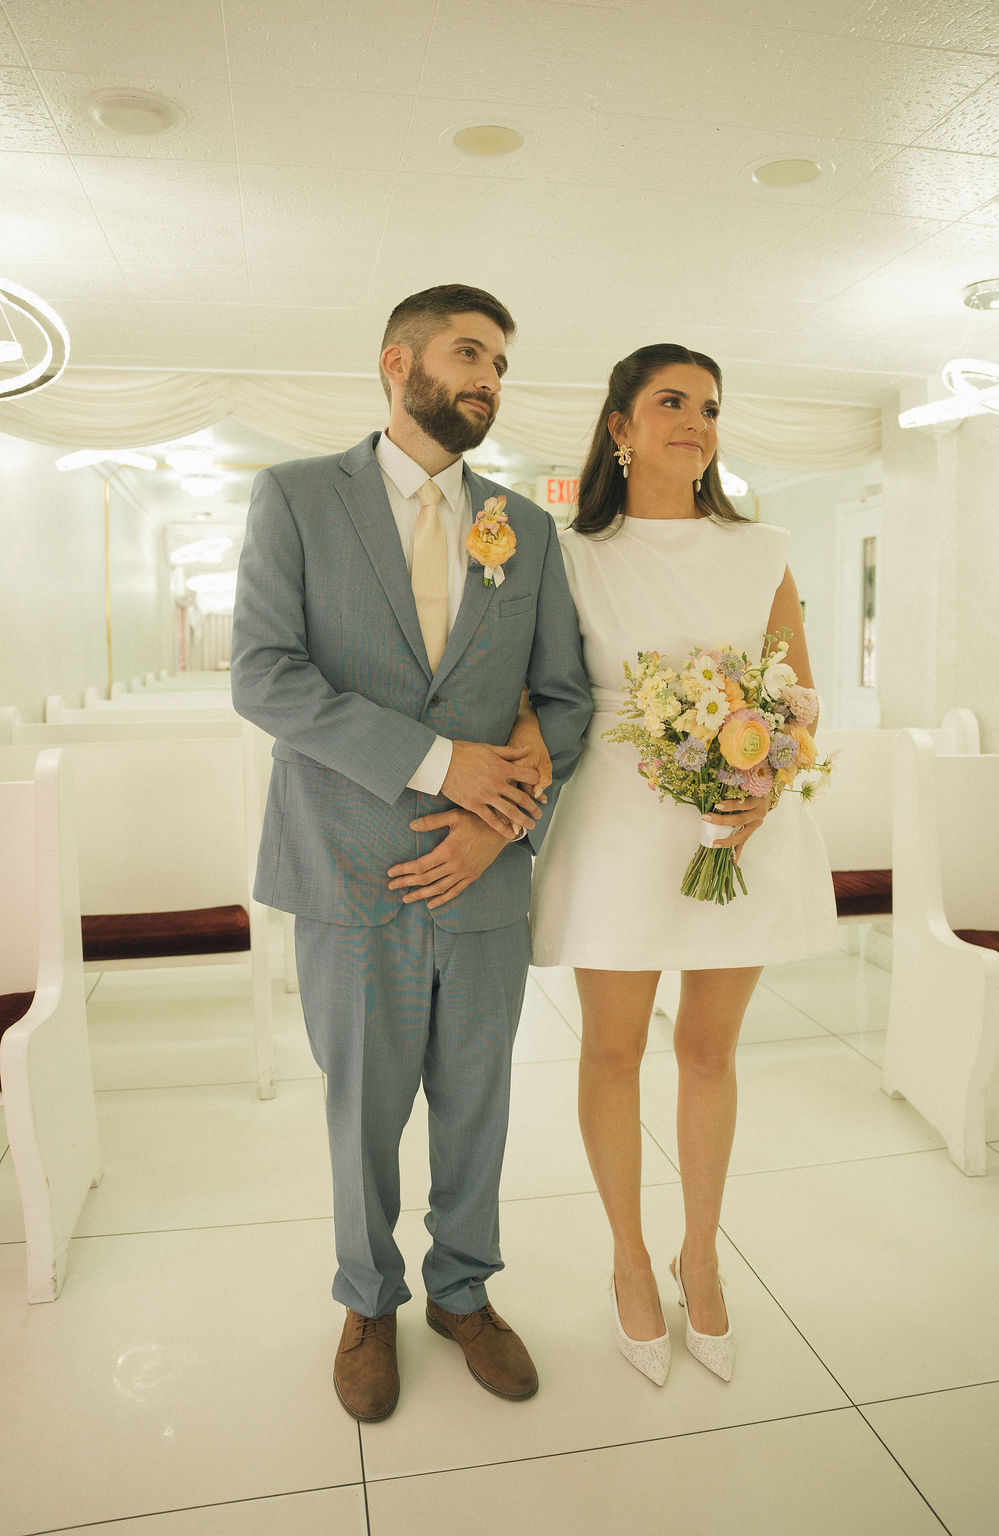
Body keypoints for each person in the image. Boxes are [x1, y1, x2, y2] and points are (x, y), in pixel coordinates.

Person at [231, 283, 592, 1422]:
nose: (489, 379)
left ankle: (462, 1292)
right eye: (469, 353)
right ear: (399, 362)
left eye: (501, 364)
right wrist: (442, 765)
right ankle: (368, 1300)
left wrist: (499, 823)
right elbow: (265, 676)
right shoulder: (296, 497)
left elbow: (565, 700)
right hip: (346, 867)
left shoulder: (525, 527)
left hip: (483, 878)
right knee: (362, 1111)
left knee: (480, 1100)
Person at [530, 343, 837, 1386]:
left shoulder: (763, 551)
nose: (696, 424)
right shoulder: (570, 556)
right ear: (619, 426)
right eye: (672, 403)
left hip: (735, 820)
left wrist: (764, 787)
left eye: (709, 408)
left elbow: (797, 700)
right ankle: (627, 1256)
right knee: (613, 1051)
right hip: (617, 820)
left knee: (710, 1051)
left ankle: (698, 1255)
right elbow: (542, 693)